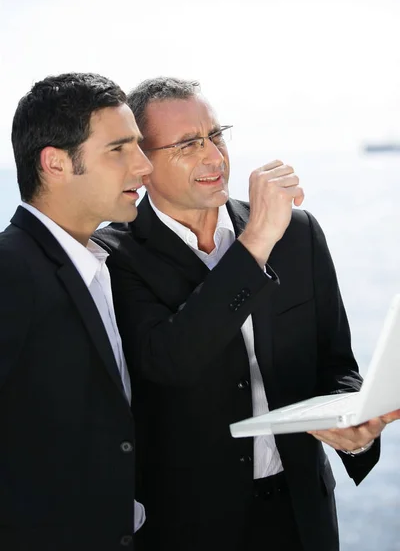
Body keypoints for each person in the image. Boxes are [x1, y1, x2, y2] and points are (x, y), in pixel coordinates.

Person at [94, 77, 399, 551]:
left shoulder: (297, 233)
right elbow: (168, 361)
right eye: (188, 144)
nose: (214, 157)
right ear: (143, 162)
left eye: (216, 135)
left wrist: (356, 424)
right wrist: (255, 242)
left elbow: (336, 363)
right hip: (191, 528)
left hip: (303, 515)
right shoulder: (112, 258)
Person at [0, 72, 153, 551]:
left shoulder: (101, 262)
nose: (143, 166)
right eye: (119, 149)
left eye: (140, 147)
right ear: (55, 164)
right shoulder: (10, 270)